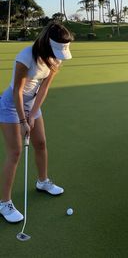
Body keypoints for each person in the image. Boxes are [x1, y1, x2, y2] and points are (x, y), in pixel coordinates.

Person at [0, 22, 73, 223]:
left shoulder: (55, 60)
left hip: (32, 104)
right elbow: (17, 90)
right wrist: (23, 120)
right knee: (15, 152)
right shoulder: (26, 57)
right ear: (47, 43)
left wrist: (32, 115)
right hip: (10, 105)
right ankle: (4, 202)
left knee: (40, 144)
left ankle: (43, 182)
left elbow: (43, 88)